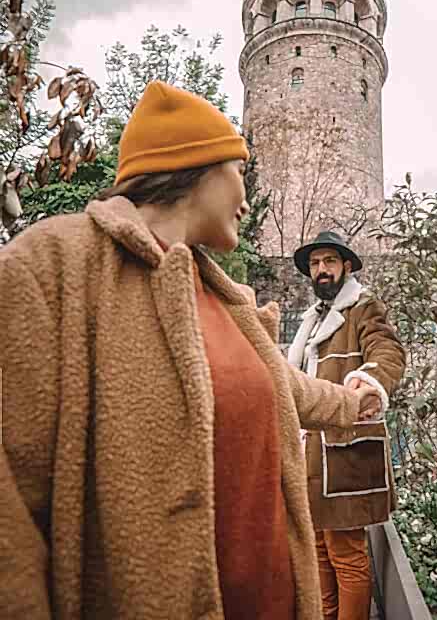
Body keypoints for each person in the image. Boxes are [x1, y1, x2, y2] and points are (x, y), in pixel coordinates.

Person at [0, 80, 382, 620]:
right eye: (241, 174)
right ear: (197, 164)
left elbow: (279, 385)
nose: (248, 199)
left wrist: (354, 401)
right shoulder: (54, 264)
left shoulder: (221, 293)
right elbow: (10, 503)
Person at [288, 231, 406, 620]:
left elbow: (388, 351)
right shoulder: (311, 322)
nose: (321, 270)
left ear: (347, 266)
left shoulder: (363, 308)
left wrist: (370, 381)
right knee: (319, 548)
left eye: (329, 262)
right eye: (316, 264)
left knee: (347, 553)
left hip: (346, 449)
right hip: (310, 450)